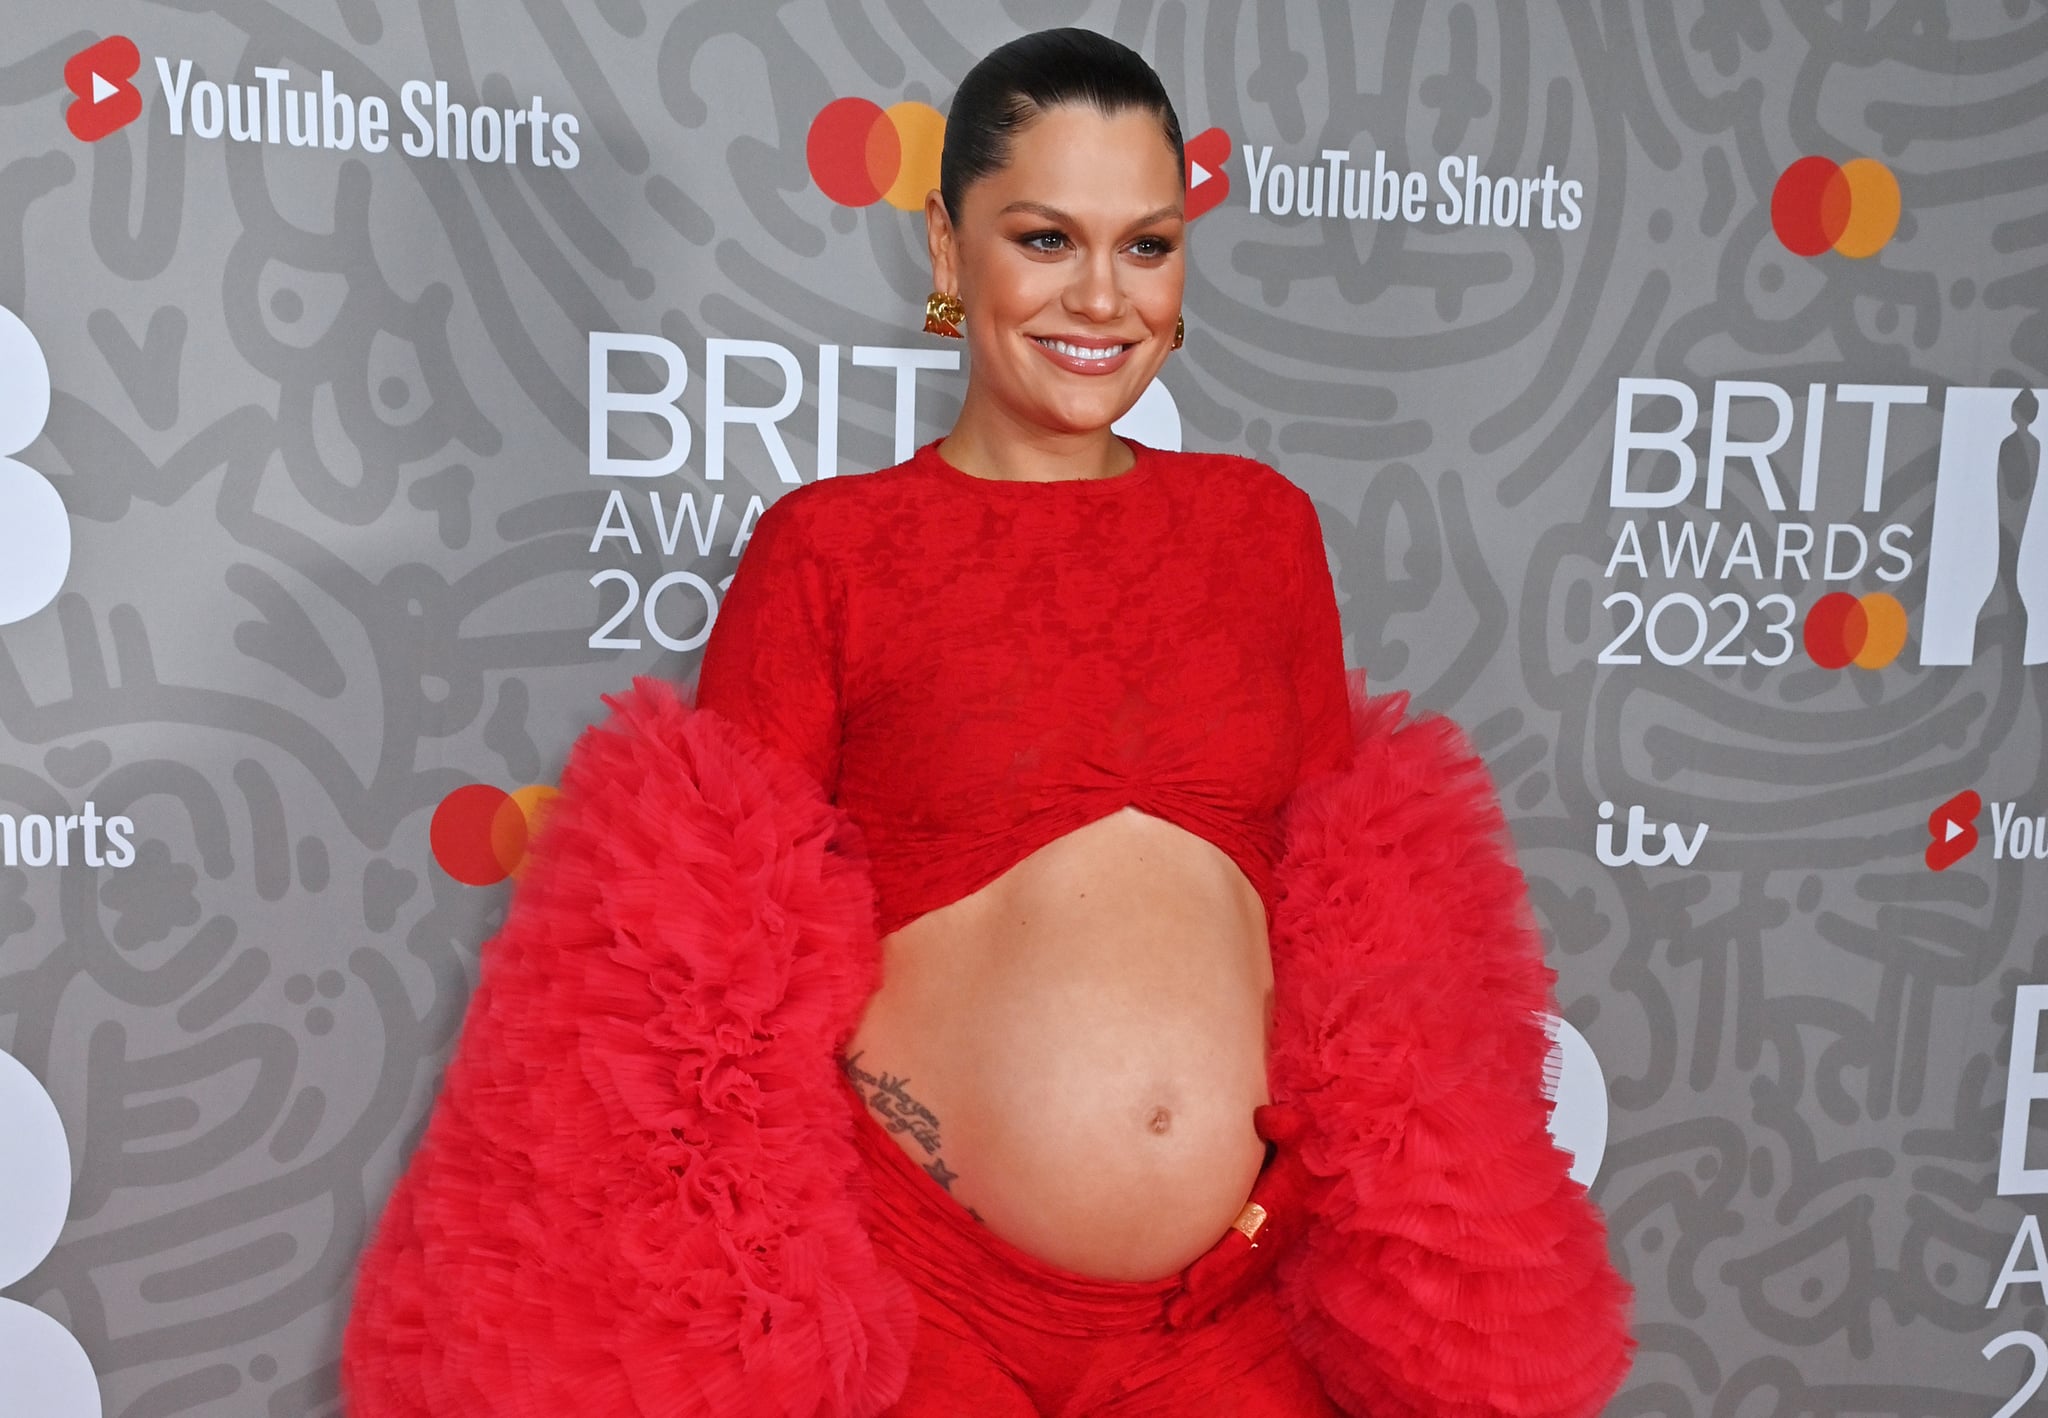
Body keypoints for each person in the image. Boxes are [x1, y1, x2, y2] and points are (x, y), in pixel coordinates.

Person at [340, 27, 1634, 1418]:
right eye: (1045, 237)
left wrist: (1304, 1197)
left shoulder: (1262, 532)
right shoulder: (830, 551)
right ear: (950, 255)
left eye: (1147, 245)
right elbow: (696, 991)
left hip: (1230, 1321)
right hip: (921, 1314)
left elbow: (1355, 925)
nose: (1101, 295)